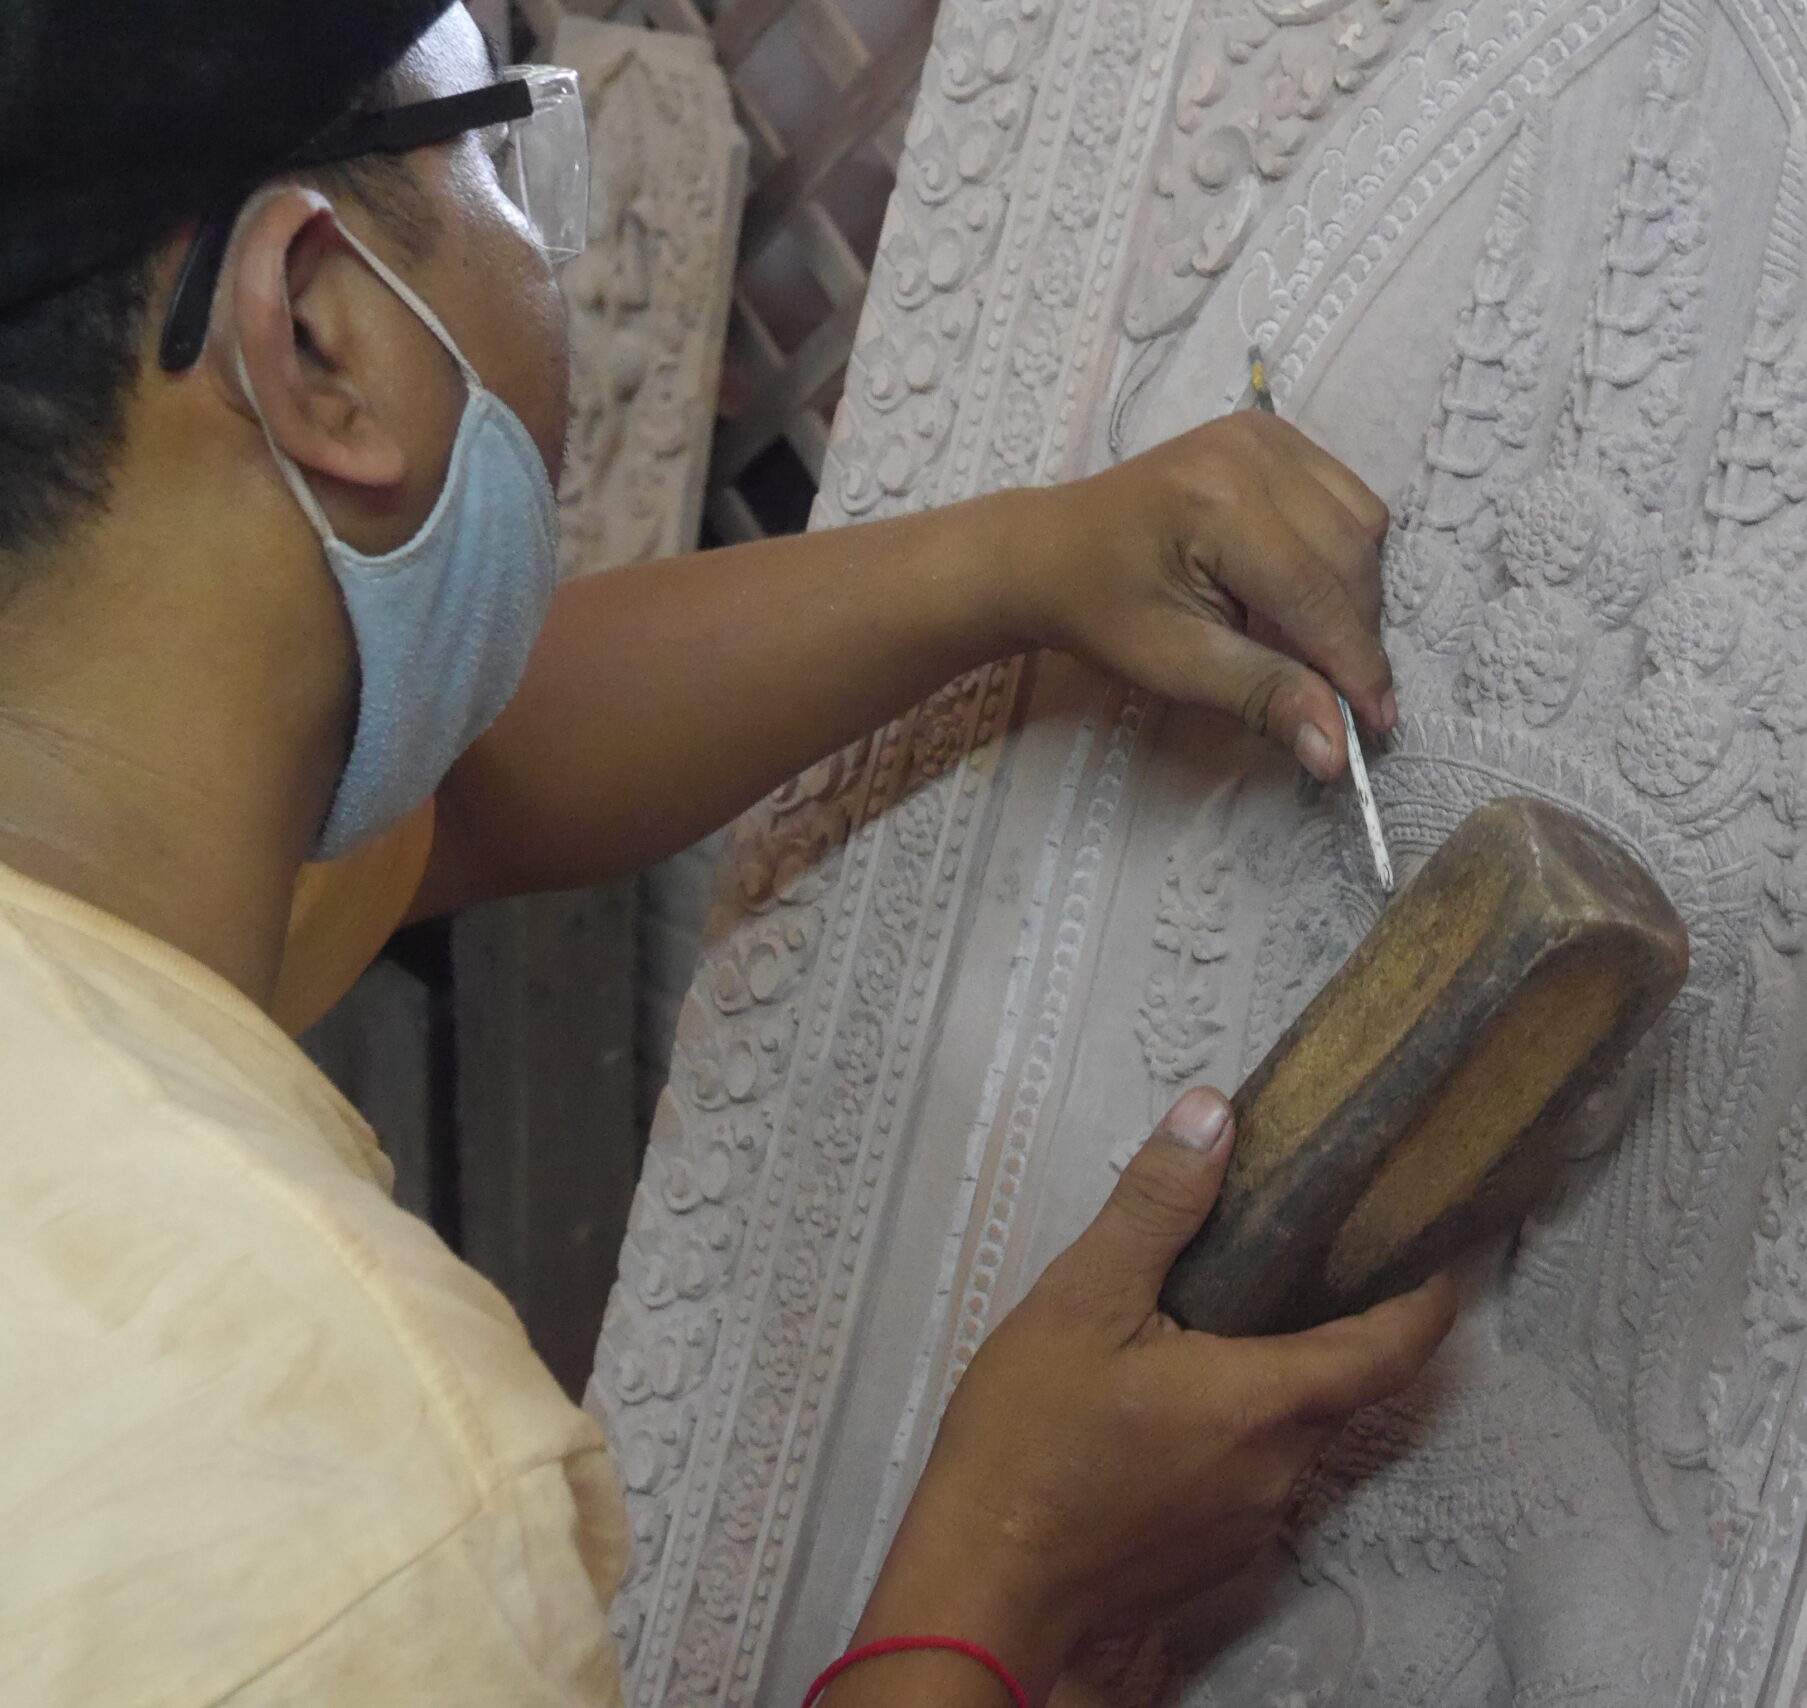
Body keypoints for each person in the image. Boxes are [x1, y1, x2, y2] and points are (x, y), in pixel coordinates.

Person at [0, 4, 1458, 1705]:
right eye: (502, 162)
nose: (541, 224)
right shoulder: (363, 1530)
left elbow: (459, 795)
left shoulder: (111, 867)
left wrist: (1026, 564)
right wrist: (1004, 1574)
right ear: (322, 337)